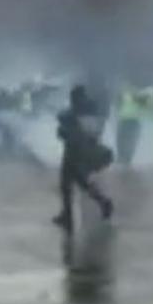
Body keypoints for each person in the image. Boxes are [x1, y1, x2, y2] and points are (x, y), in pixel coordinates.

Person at [53, 85, 114, 230]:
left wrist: (65, 128)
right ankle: (102, 203)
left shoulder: (77, 113)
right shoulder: (89, 111)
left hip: (75, 154)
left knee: (69, 185)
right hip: (80, 153)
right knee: (80, 184)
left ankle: (69, 216)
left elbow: (69, 131)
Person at [114, 85, 152, 168]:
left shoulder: (127, 93)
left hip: (129, 121)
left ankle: (124, 159)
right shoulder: (139, 94)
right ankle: (124, 159)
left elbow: (118, 105)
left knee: (125, 140)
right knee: (127, 140)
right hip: (130, 121)